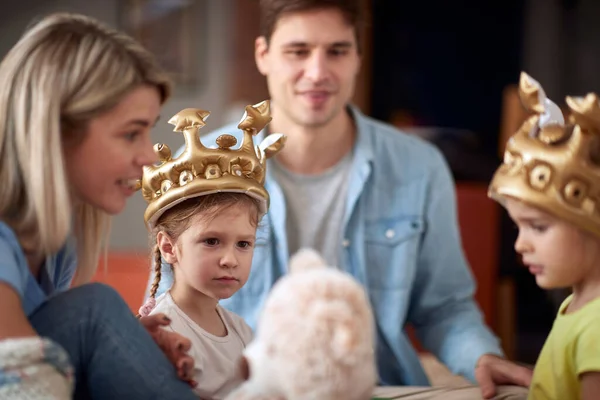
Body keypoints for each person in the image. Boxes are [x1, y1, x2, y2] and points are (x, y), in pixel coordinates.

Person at [151, 0, 531, 397]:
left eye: (337, 51)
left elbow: (445, 307)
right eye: (298, 51)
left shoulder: (418, 166)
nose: (317, 73)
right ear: (263, 55)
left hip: (375, 387)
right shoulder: (203, 163)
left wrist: (481, 356)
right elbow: (170, 297)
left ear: (358, 57)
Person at [0, 12, 201, 399]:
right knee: (96, 310)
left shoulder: (55, 244)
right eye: (131, 134)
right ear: (57, 131)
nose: (149, 156)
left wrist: (123, 348)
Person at [136, 102, 286, 399]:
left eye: (243, 244)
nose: (230, 260)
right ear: (169, 247)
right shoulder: (163, 335)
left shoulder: (241, 331)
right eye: (211, 241)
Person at [488, 72, 600, 400]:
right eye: (518, 227)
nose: (521, 244)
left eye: (538, 227)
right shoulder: (576, 304)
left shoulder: (595, 327)